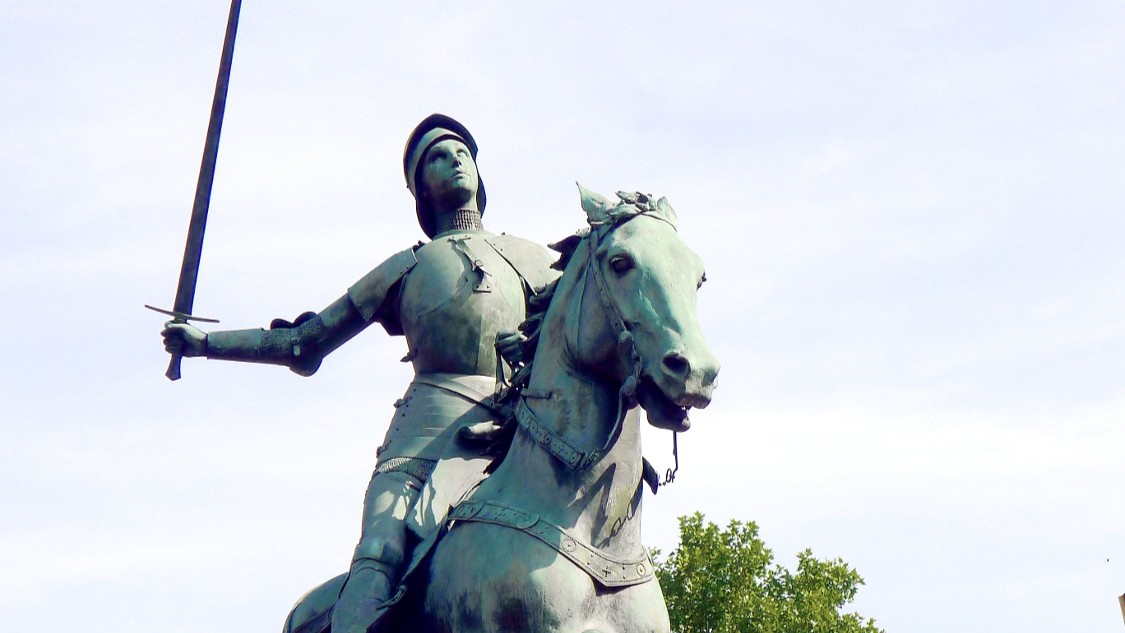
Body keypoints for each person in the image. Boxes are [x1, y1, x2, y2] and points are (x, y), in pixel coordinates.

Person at [162, 114, 558, 633]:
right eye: (437, 156)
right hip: (425, 438)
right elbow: (303, 343)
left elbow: (586, 330)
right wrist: (207, 344)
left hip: (516, 437)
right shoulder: (406, 268)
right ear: (420, 189)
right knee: (380, 549)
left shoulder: (538, 260)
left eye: (463, 152)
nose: (455, 159)